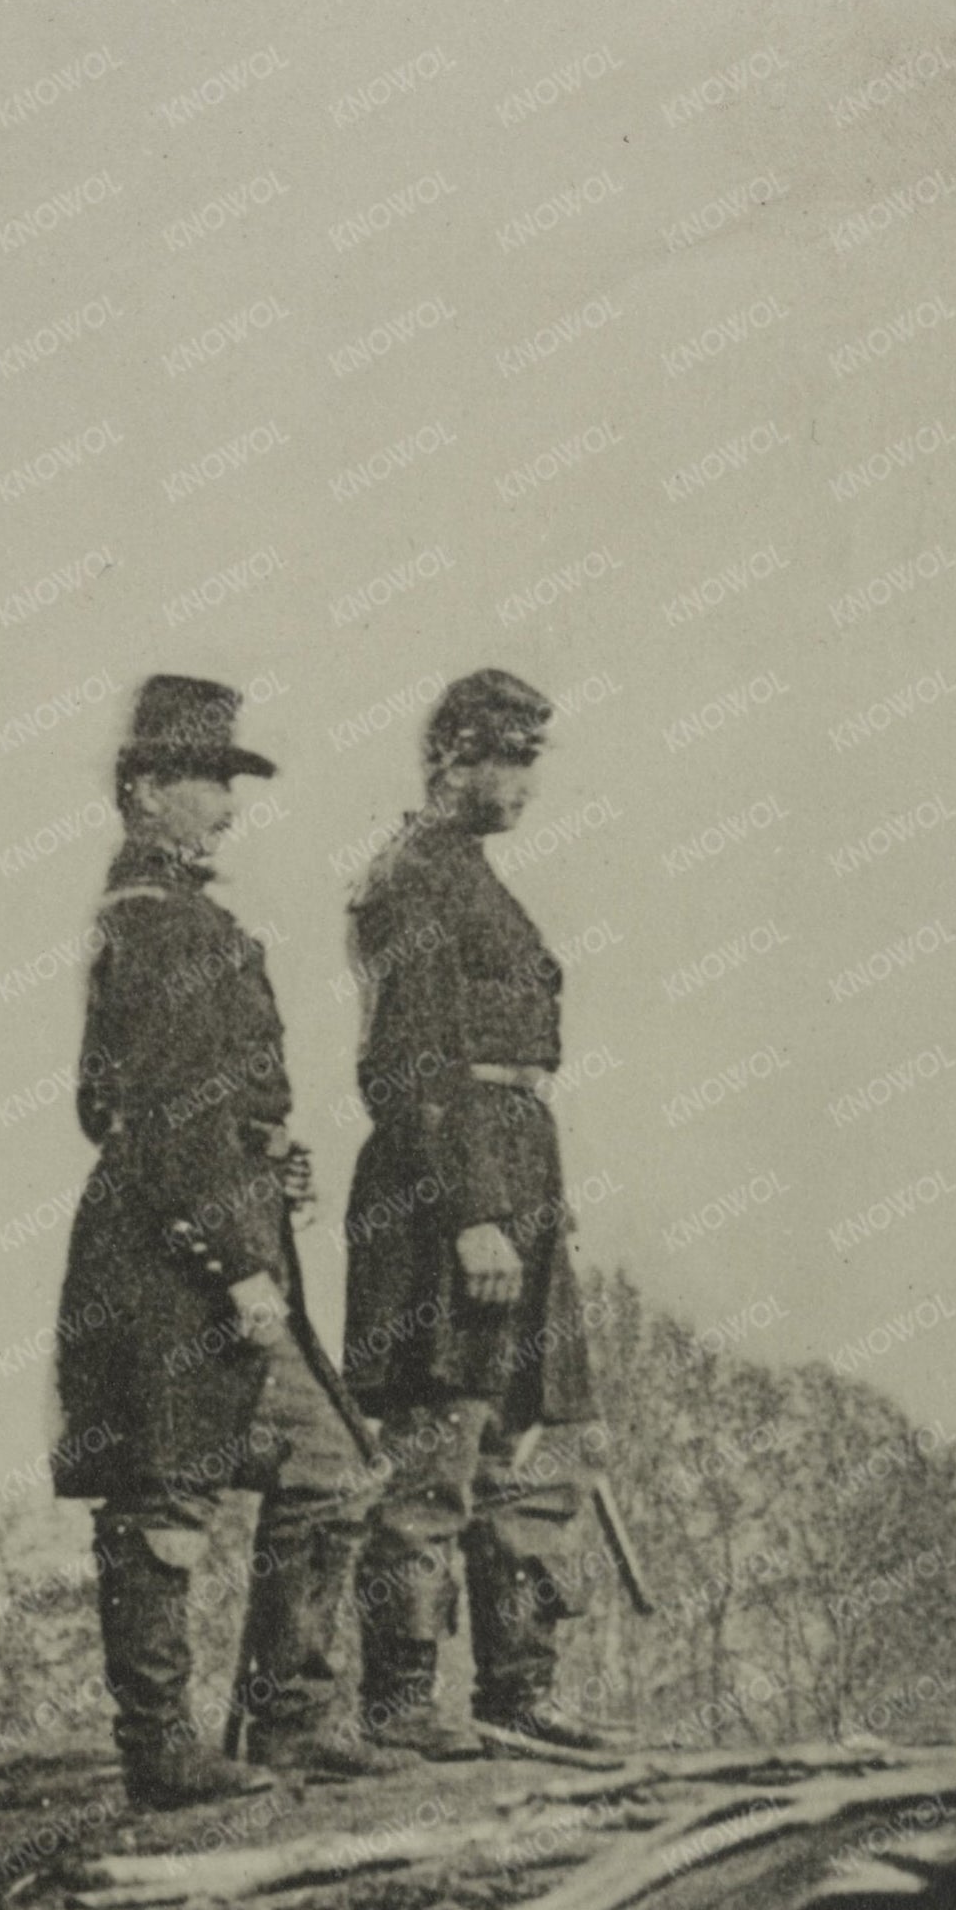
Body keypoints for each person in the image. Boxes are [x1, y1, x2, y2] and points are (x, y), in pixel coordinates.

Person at [49, 668, 390, 1805]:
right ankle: (160, 1752)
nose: (225, 806)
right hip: (170, 1261)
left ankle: (286, 1721)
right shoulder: (162, 926)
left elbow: (158, 1103)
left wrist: (266, 1155)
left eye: (226, 780)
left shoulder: (171, 920)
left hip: (216, 1228)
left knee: (333, 1469)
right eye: (202, 780)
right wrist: (240, 1258)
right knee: (164, 1496)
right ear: (143, 790)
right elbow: (151, 1118)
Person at [347, 664, 604, 1754]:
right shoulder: (412, 879)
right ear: (449, 758)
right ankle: (404, 1705)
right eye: (507, 758)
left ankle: (519, 1694)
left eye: (530, 759)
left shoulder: (469, 877)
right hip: (444, 1197)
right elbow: (406, 1065)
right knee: (436, 1455)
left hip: (517, 1179)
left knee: (520, 1451)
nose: (523, 784)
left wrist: (531, 1204)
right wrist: (468, 1214)